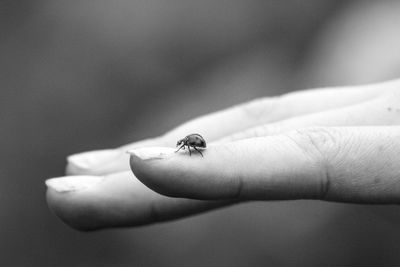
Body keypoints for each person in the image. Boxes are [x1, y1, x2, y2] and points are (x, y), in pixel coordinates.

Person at [46, 79, 400, 230]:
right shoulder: (190, 144)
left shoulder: (192, 145)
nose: (187, 148)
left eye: (187, 147)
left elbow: (197, 147)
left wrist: (196, 150)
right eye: (188, 147)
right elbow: (195, 146)